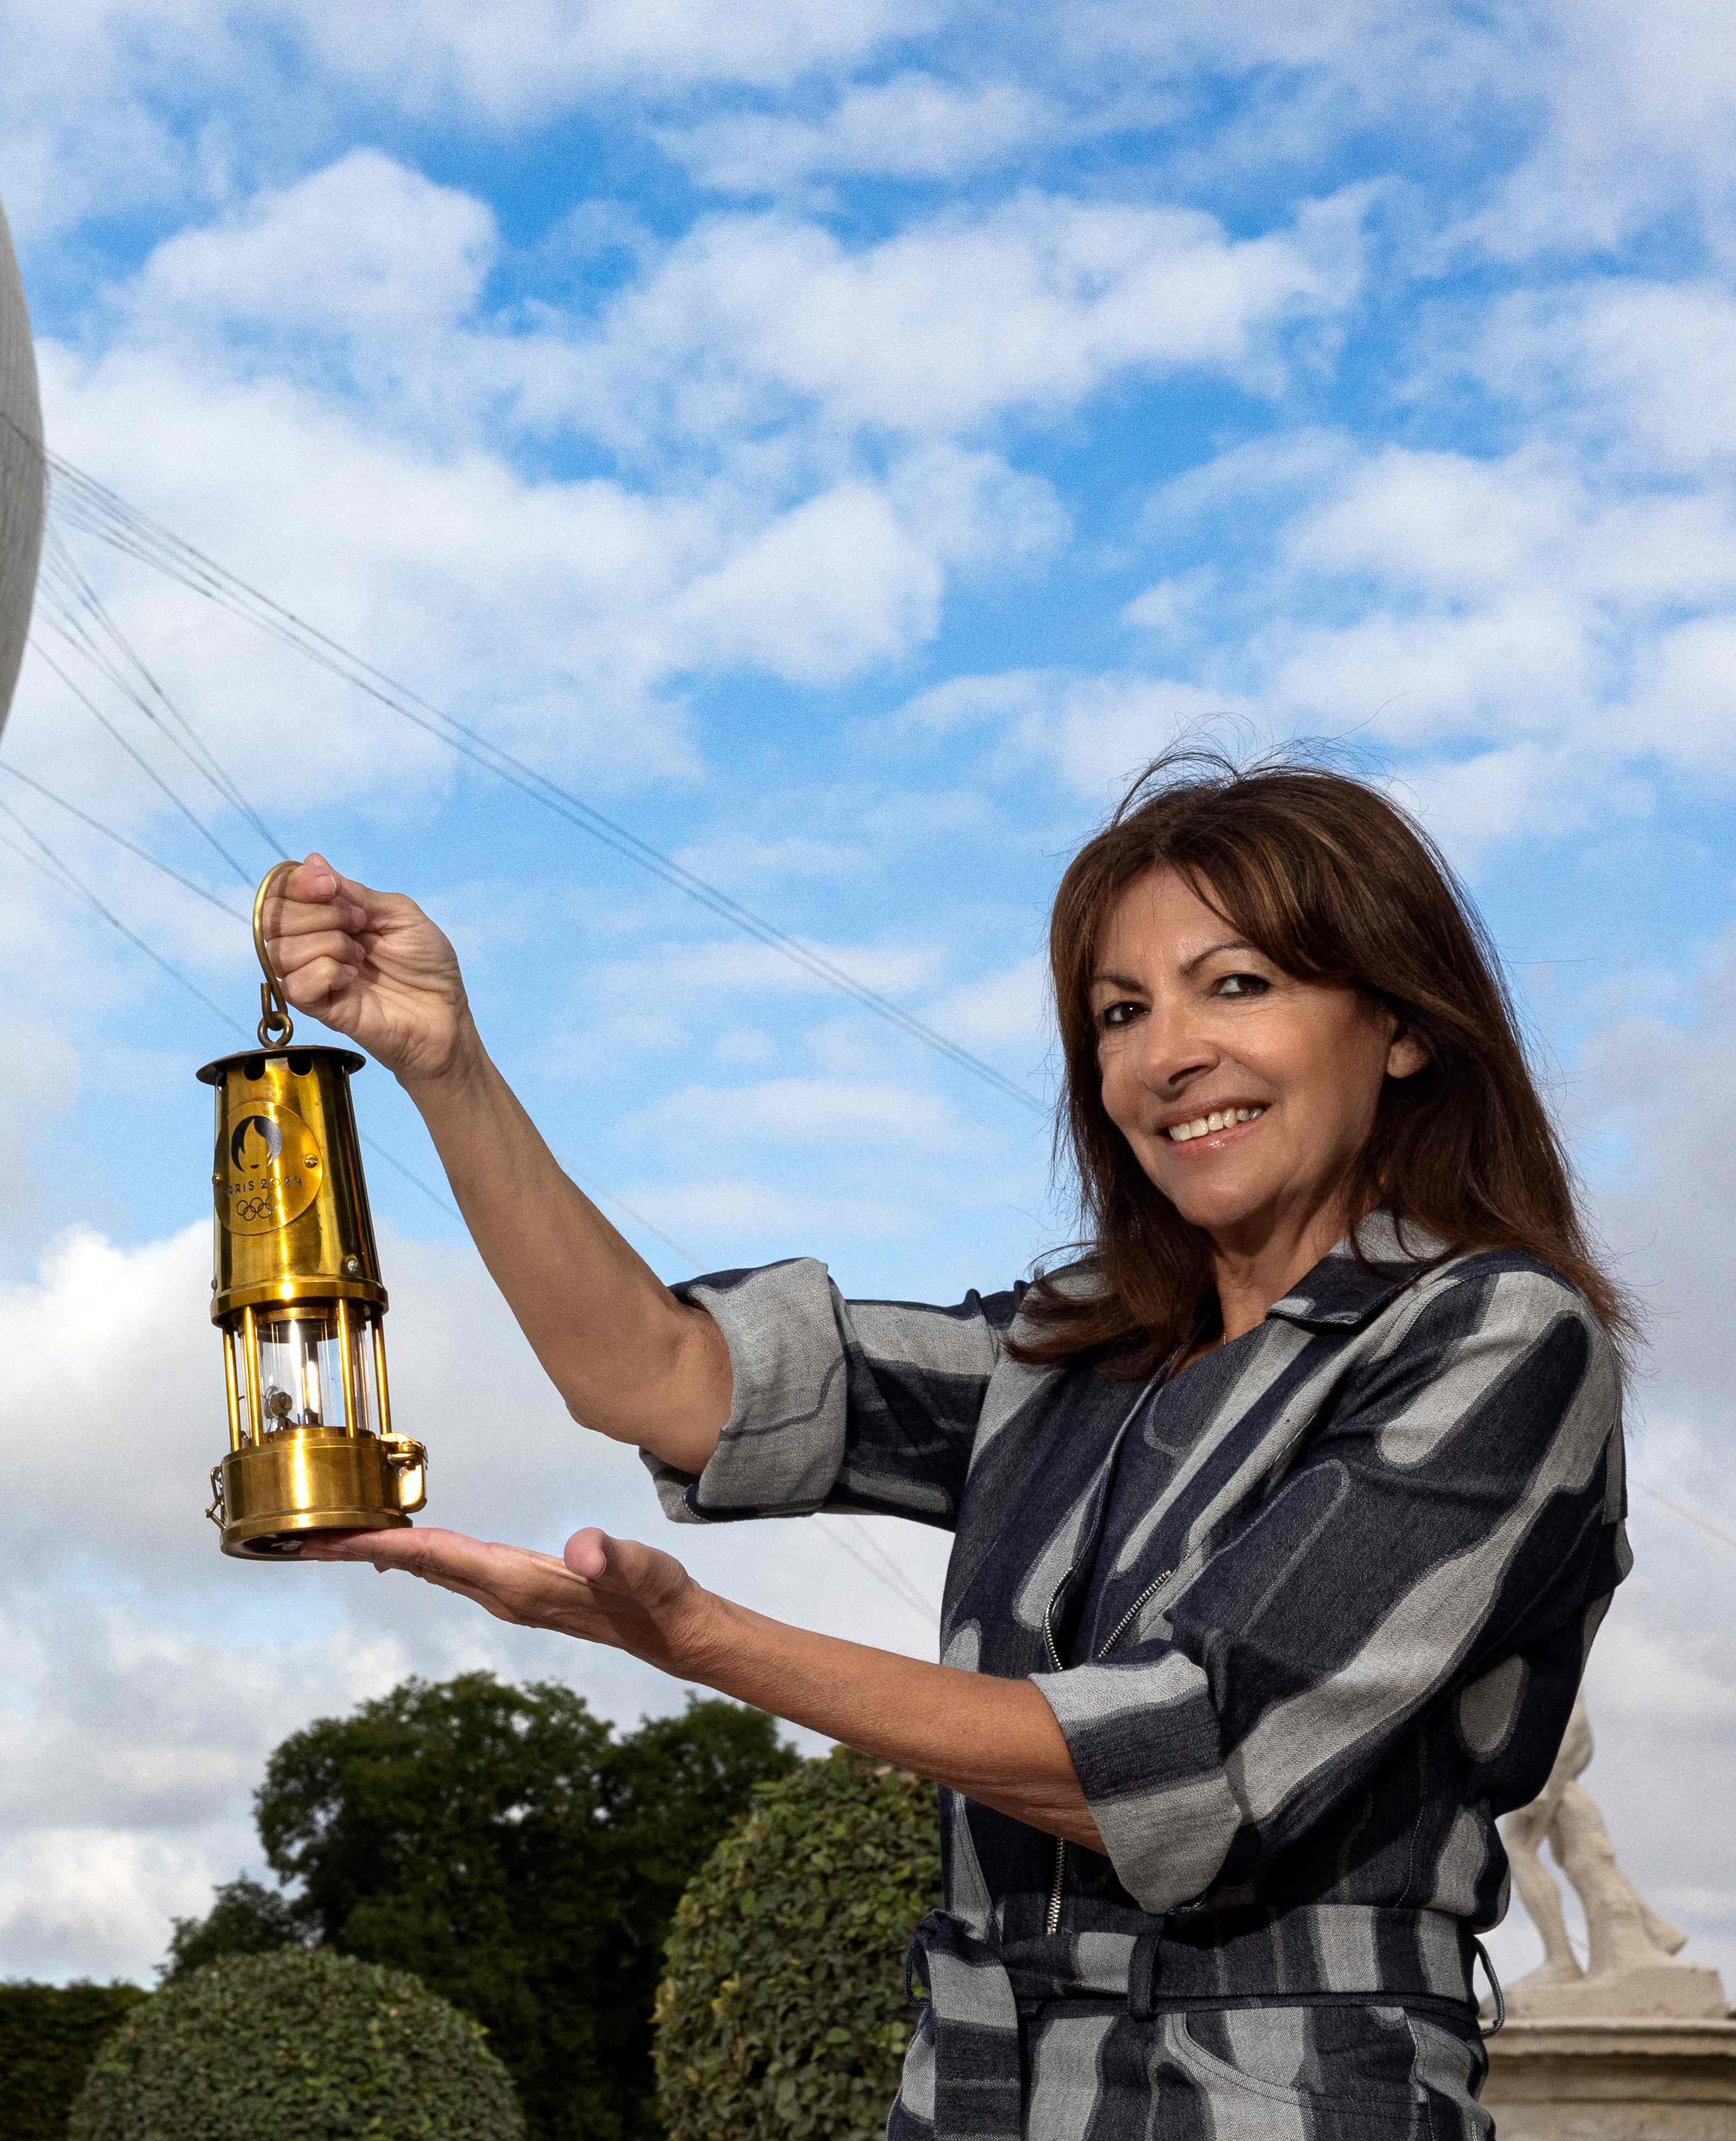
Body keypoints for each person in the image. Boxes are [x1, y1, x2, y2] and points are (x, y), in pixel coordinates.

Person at [263, 754, 1632, 2141]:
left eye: (1239, 984)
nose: (1167, 1056)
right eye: (1119, 1012)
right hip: (977, 2090)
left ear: (1400, 1022)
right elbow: (663, 1374)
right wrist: (449, 1064)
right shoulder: (1071, 1350)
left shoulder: (1499, 1337)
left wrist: (706, 1643)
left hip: (1288, 2096)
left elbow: (1195, 1763)